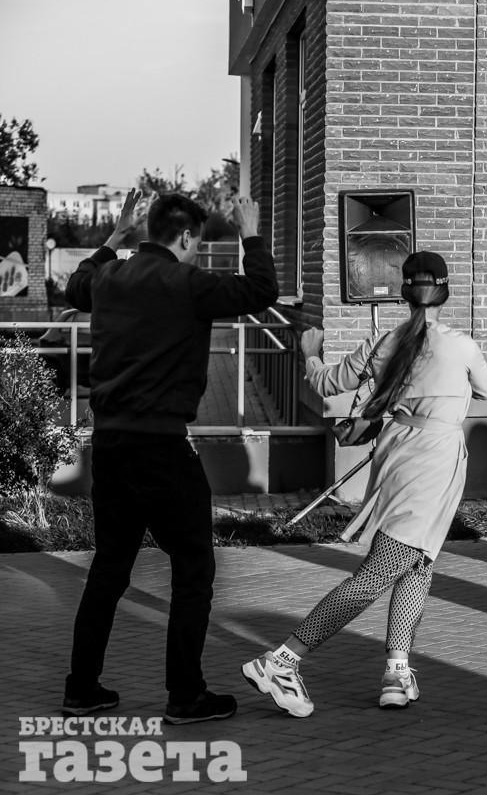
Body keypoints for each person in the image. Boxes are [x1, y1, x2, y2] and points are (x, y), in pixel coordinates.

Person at [242, 251, 487, 717]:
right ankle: (281, 660)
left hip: (400, 455)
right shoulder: (461, 346)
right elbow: (486, 390)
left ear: (404, 293)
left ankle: (396, 672)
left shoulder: (383, 343)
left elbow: (327, 383)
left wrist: (310, 353)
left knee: (418, 564)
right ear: (445, 293)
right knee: (379, 572)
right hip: (434, 463)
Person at [62, 190, 279, 724]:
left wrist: (115, 236)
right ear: (185, 236)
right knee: (193, 569)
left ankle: (81, 689)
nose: (197, 250)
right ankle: (185, 694)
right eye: (197, 242)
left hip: (110, 447)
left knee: (109, 569)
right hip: (162, 448)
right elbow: (261, 291)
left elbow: (75, 285)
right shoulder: (189, 284)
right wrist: (251, 232)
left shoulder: (109, 278)